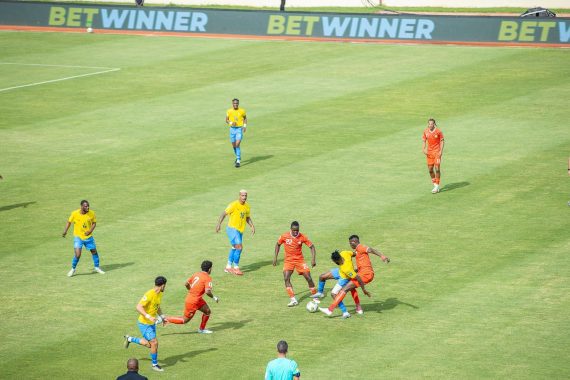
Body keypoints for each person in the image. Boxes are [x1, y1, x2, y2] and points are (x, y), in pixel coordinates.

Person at [124, 276, 168, 372]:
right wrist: (148, 316)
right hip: (144, 323)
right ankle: (154, 365)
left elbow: (157, 307)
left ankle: (129, 339)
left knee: (150, 345)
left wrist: (163, 317)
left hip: (151, 324)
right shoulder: (149, 294)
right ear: (162, 285)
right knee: (154, 343)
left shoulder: (159, 294)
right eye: (165, 286)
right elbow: (138, 307)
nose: (165, 287)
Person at [163, 260, 219, 334]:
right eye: (211, 268)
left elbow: (186, 284)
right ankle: (165, 319)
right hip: (193, 302)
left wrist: (192, 291)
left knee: (207, 311)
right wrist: (214, 297)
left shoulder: (196, 274)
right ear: (209, 269)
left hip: (196, 299)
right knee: (185, 320)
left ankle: (201, 329)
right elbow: (207, 291)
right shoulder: (207, 278)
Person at [274, 221, 317, 307]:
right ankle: (293, 300)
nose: (296, 232)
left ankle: (315, 296)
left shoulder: (302, 237)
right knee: (286, 278)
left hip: (299, 260)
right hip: (288, 261)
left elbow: (312, 247)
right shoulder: (284, 236)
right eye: (294, 230)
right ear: (291, 229)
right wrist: (275, 257)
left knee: (308, 278)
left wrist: (313, 259)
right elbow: (278, 244)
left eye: (297, 230)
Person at [318, 250, 370, 318]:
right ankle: (320, 294)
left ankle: (344, 311)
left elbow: (357, 277)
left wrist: (363, 289)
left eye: (334, 261)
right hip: (340, 272)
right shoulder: (344, 253)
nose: (333, 262)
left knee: (334, 293)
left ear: (337, 260)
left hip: (344, 277)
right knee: (323, 276)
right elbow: (355, 253)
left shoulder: (346, 269)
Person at [216, 189, 255, 275]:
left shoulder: (247, 206)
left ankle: (228, 267)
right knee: (239, 247)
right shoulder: (233, 205)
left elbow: (247, 217)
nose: (244, 197)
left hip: (240, 230)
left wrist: (252, 226)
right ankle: (236, 267)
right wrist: (219, 224)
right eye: (242, 195)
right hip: (232, 229)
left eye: (245, 196)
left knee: (235, 247)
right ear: (239, 196)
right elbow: (223, 214)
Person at [62, 200, 105, 277]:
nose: (87, 207)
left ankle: (97, 267)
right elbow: (69, 222)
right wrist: (65, 231)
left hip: (88, 237)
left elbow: (94, 223)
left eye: (88, 206)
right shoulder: (74, 213)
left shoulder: (91, 213)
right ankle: (73, 269)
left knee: (94, 251)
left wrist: (90, 231)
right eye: (86, 206)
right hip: (78, 237)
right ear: (81, 206)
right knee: (78, 254)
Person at [422, 118, 445, 193]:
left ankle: (437, 186)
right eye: (429, 124)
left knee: (437, 169)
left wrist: (441, 151)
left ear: (434, 124)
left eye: (432, 124)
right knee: (430, 170)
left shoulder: (438, 131)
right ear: (428, 124)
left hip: (437, 152)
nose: (430, 125)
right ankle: (435, 185)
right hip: (429, 153)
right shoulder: (425, 131)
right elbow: (424, 140)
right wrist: (423, 149)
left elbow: (442, 141)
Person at [226, 98, 247, 168]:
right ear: (232, 104)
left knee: (237, 144)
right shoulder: (229, 111)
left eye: (236, 103)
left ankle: (238, 160)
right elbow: (226, 120)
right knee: (234, 146)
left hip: (239, 129)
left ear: (238, 104)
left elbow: (245, 118)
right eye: (234, 103)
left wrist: (244, 126)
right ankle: (238, 156)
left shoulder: (242, 111)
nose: (235, 104)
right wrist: (231, 123)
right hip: (232, 129)